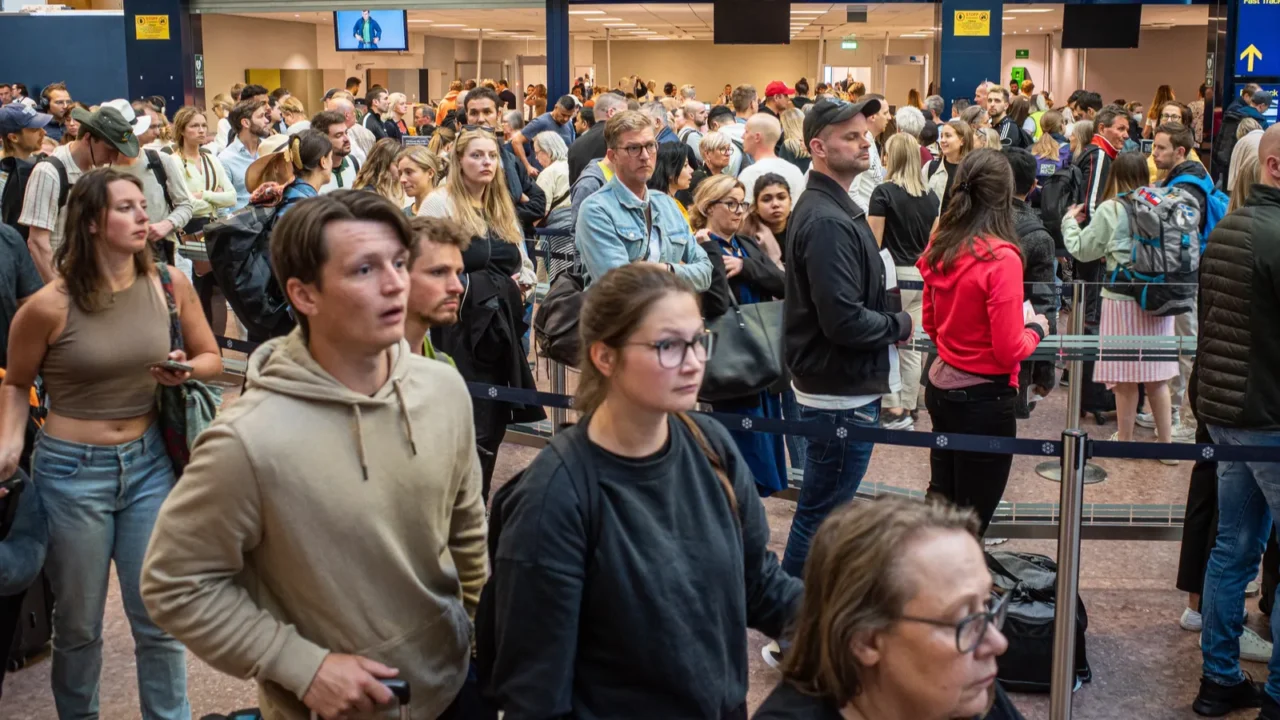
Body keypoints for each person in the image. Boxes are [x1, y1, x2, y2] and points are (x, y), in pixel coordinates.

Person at [140, 188, 489, 720]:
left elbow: (465, 531)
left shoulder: (442, 389)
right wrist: (301, 665)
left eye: (398, 263)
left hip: (454, 689)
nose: (396, 283)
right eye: (364, 270)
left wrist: (475, 631)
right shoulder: (249, 439)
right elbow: (175, 584)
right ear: (304, 295)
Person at [489, 261, 801, 717]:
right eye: (669, 346)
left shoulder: (710, 444)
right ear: (605, 356)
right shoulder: (553, 498)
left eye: (699, 341)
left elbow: (758, 584)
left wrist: (848, 623)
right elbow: (535, 695)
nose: (695, 362)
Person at [1, 167, 222, 719]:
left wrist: (185, 369)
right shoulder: (49, 306)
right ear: (93, 223)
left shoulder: (171, 283)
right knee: (78, 625)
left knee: (157, 618)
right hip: (72, 474)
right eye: (126, 207)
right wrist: (8, 446)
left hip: (150, 464)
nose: (143, 214)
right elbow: (16, 382)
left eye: (142, 205)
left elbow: (212, 359)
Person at [781, 96, 912, 580]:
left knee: (825, 510)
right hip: (838, 392)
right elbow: (844, 322)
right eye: (849, 136)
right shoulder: (828, 220)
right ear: (818, 147)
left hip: (841, 385)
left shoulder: (833, 207)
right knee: (822, 514)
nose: (865, 142)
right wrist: (901, 326)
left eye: (865, 133)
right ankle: (792, 627)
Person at [754, 496, 1026, 720]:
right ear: (866, 640)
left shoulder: (969, 695)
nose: (998, 642)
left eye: (987, 605)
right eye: (964, 619)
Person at [1187, 125, 1280, 719]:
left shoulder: (1227, 229)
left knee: (1233, 547)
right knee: (1240, 547)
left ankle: (1218, 679)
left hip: (1224, 413)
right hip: (1269, 417)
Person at [917, 149, 1047, 532]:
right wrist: (1037, 328)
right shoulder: (1002, 257)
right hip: (985, 401)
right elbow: (1009, 349)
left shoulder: (942, 239)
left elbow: (930, 321)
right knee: (972, 521)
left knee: (942, 504)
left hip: (942, 384)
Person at [419, 129, 544, 497]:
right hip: (454, 333)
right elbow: (423, 270)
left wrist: (523, 282)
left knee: (493, 423)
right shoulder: (439, 205)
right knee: (463, 426)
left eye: (491, 155)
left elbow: (523, 263)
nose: (486, 162)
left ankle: (478, 503)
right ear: (459, 161)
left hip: (499, 330)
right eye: (476, 156)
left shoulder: (500, 206)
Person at [1061, 151, 1179, 455]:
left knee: (1124, 376)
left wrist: (1068, 222)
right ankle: (1166, 447)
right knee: (1157, 379)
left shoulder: (1112, 209)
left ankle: (1125, 442)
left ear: (1115, 175)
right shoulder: (1164, 204)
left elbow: (1083, 250)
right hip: (1158, 298)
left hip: (1120, 299)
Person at [691, 174, 788, 495]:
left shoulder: (746, 243)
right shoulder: (698, 246)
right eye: (730, 203)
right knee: (740, 458)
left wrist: (745, 267)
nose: (738, 211)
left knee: (765, 447)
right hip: (730, 358)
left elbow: (782, 283)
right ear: (708, 206)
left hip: (762, 352)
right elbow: (715, 301)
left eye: (742, 204)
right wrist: (710, 251)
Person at [575, 111, 712, 290]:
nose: (645, 156)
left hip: (670, 315)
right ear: (612, 156)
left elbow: (705, 273)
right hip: (623, 317)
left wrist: (665, 269)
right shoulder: (596, 210)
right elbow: (619, 286)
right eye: (633, 148)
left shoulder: (667, 204)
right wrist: (682, 272)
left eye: (650, 146)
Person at [868, 133, 939, 431]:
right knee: (913, 346)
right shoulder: (932, 197)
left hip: (892, 276)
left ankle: (891, 407)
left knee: (887, 342)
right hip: (922, 275)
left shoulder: (882, 193)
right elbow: (934, 242)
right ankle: (909, 406)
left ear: (890, 157)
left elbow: (874, 242)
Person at [20, 105, 139, 282]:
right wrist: (60, 291)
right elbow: (37, 243)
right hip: (63, 281)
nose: (113, 158)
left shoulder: (99, 173)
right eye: (109, 149)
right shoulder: (48, 173)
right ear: (88, 138)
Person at [1005, 148, 1060, 417]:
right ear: (1032, 185)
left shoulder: (967, 221)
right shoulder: (1038, 236)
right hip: (1014, 349)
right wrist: (1046, 370)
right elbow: (1043, 304)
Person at [458, 86, 548, 230]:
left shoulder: (511, 160)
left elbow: (538, 205)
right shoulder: (456, 162)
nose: (481, 119)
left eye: (487, 112)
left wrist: (502, 214)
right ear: (467, 116)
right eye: (474, 113)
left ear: (498, 114)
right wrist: (518, 201)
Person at [404, 215, 467, 361]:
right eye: (438, 272)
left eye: (458, 273)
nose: (457, 287)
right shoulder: (360, 371)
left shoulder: (444, 366)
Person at [737, 113, 806, 205]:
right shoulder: (795, 171)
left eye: (746, 131)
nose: (742, 136)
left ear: (757, 137)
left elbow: (745, 214)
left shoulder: (749, 174)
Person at [218, 99, 271, 211]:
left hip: (271, 218)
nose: (266, 120)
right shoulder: (225, 159)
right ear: (246, 123)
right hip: (243, 223)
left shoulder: (269, 148)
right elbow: (222, 205)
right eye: (261, 116)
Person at [1214, 90, 1274, 186]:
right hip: (1246, 167)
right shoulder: (1261, 122)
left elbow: (1220, 139)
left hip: (1226, 163)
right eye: (1266, 107)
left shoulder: (1232, 115)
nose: (1266, 110)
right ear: (1261, 105)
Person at [566, 91, 625, 184]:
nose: (628, 118)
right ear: (611, 112)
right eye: (624, 113)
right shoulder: (620, 140)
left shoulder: (575, 146)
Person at [511, 95, 578, 177]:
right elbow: (516, 141)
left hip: (561, 175)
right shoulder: (541, 122)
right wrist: (527, 167)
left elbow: (570, 149)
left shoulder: (569, 124)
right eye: (563, 115)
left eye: (569, 116)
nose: (566, 119)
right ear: (556, 107)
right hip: (542, 175)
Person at [849, 94, 892, 212]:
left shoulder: (871, 141)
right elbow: (851, 192)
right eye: (885, 113)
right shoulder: (862, 144)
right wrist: (870, 218)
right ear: (873, 116)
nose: (889, 117)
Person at [925, 119, 974, 214]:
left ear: (962, 141)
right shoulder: (930, 167)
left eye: (948, 136)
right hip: (932, 227)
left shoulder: (972, 171)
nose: (942, 140)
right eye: (941, 136)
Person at [311, 110, 359, 193]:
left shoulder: (353, 162)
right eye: (339, 135)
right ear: (323, 139)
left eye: (346, 133)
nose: (347, 139)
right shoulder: (312, 172)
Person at [649, 141, 695, 222]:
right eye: (685, 165)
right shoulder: (661, 207)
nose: (691, 170)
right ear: (670, 171)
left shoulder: (673, 201)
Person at [352, 136, 405, 207]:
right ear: (384, 165)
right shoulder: (367, 196)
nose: (401, 170)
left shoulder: (391, 188)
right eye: (397, 165)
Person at [396, 145, 444, 217]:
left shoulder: (447, 214)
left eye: (409, 172)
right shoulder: (401, 217)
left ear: (430, 173)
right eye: (400, 173)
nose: (402, 179)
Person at [533, 130, 570, 213]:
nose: (536, 157)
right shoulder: (572, 165)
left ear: (548, 151)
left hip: (558, 222)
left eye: (537, 153)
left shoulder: (548, 173)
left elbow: (541, 210)